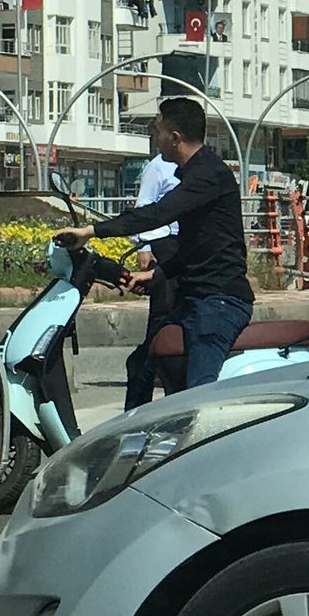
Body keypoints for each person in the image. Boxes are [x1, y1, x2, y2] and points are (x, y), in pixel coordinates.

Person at [55, 97, 252, 392]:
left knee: (199, 388)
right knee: (141, 365)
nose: (155, 138)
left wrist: (91, 231)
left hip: (220, 301)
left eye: (158, 131)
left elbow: (157, 214)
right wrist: (155, 275)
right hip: (196, 298)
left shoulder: (208, 176)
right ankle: (138, 424)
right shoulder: (195, 173)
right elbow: (198, 246)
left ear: (175, 138)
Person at [120, 130, 181, 410]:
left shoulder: (199, 169)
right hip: (165, 248)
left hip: (189, 253)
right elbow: (145, 208)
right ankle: (137, 407)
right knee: (160, 325)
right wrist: (144, 247)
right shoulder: (158, 167)